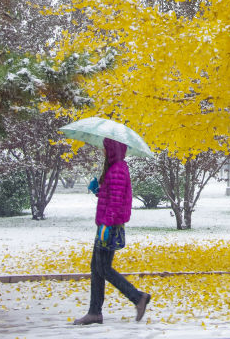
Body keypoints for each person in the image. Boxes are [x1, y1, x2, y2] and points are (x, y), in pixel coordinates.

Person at [73, 137, 151, 325]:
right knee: (96, 268)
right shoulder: (116, 168)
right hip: (106, 224)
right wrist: (98, 190)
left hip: (109, 226)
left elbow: (115, 203)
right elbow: (111, 196)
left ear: (113, 149)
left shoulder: (117, 169)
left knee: (102, 268)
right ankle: (94, 312)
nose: (103, 152)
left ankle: (137, 297)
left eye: (106, 148)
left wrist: (106, 225)